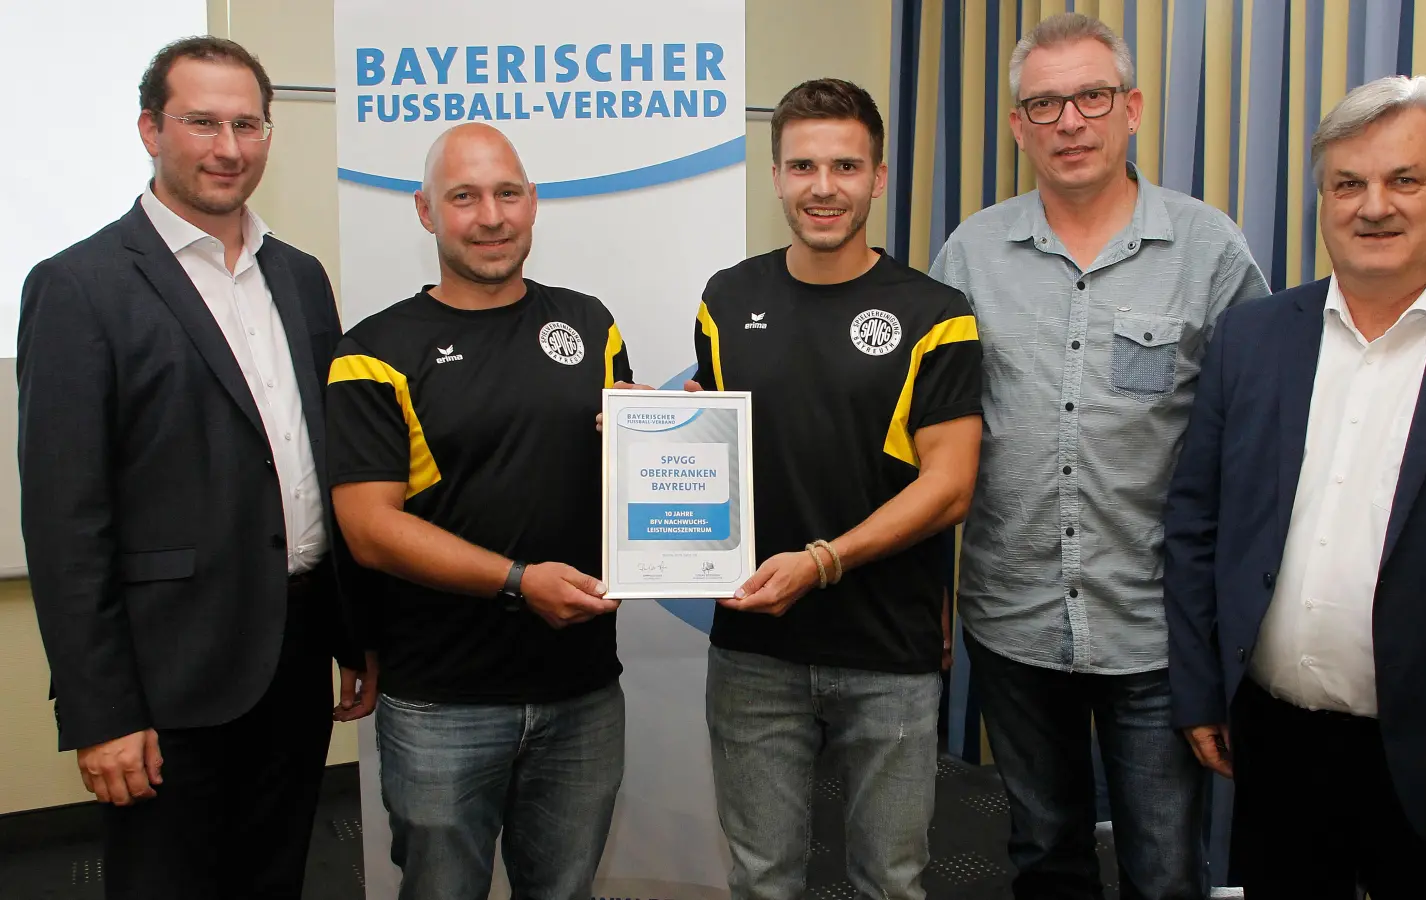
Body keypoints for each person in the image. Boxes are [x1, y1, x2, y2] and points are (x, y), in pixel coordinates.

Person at [1163, 73, 1426, 899]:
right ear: (1323, 201)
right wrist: (1199, 687)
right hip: (1279, 746)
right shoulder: (1253, 336)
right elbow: (1195, 523)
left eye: (1405, 180)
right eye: (1348, 183)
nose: (1374, 206)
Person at [16, 36, 373, 900]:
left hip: (291, 659)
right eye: (202, 122)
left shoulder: (299, 276)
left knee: (276, 876)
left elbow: (312, 465)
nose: (228, 147)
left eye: (247, 123)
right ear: (150, 129)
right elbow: (67, 521)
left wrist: (348, 632)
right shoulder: (80, 286)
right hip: (166, 679)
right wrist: (103, 714)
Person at [929, 13, 1267, 899]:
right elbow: (920, 423)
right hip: (1014, 617)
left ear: (1133, 108)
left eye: (1091, 96)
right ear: (1017, 125)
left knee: (1164, 871)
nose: (1068, 121)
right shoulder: (971, 252)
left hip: (1156, 630)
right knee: (1046, 857)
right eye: (1043, 103)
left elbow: (1260, 434)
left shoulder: (1209, 249)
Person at [688, 78, 982, 900]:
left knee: (890, 878)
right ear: (775, 174)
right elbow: (719, 443)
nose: (824, 188)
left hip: (888, 648)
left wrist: (821, 562)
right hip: (754, 648)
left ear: (878, 178)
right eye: (804, 165)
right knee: (762, 876)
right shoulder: (726, 300)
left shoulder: (937, 313)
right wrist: (651, 444)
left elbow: (951, 485)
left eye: (846, 166)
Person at [326, 122, 636, 900]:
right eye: (463, 197)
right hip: (441, 700)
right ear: (426, 211)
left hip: (583, 689)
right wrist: (518, 581)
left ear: (533, 204)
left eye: (506, 194)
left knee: (564, 890)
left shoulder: (590, 324)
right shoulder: (373, 351)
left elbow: (623, 472)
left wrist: (674, 433)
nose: (490, 216)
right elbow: (368, 527)